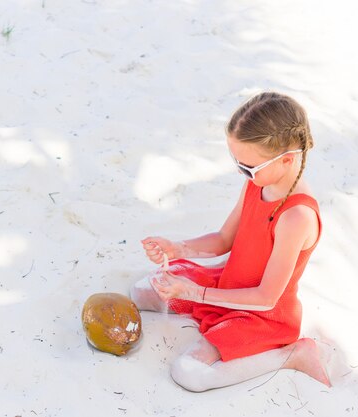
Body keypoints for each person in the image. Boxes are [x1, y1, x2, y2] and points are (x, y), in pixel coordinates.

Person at [130, 91, 331, 392]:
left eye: (248, 167)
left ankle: (292, 354)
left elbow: (266, 298)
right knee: (142, 292)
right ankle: (204, 300)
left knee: (189, 373)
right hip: (227, 285)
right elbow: (225, 239)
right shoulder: (257, 183)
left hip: (260, 314)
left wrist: (195, 292)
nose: (242, 173)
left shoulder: (296, 217)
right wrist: (179, 248)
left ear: (287, 160)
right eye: (237, 164)